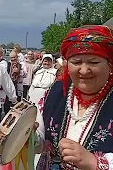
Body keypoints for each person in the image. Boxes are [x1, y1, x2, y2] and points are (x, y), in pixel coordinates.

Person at [35, 25, 113, 169]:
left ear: (110, 64)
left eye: (93, 62)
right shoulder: (56, 92)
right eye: (76, 62)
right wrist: (26, 135)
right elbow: (39, 143)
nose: (84, 70)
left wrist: (95, 163)